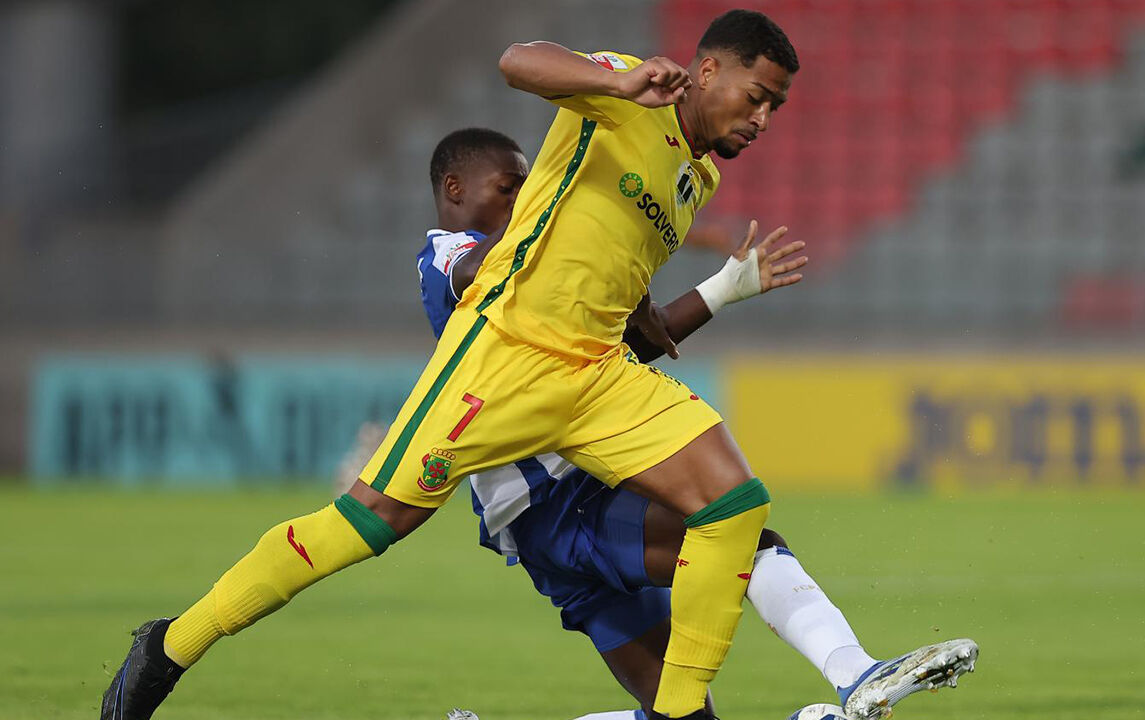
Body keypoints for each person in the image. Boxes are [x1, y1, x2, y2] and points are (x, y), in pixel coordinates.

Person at [101, 11, 968, 720]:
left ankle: (693, 710)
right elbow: (519, 61)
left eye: (776, 107)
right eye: (757, 96)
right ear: (708, 71)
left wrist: (681, 301)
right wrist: (617, 83)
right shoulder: (624, 88)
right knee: (366, 525)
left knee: (735, 504)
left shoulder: (695, 182)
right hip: (509, 355)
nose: (763, 118)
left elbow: (617, 281)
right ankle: (170, 647)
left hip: (597, 378)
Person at [407, 129, 975, 720]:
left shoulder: (532, 283)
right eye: (509, 187)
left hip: (558, 506)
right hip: (558, 498)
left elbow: (629, 346)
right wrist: (564, 212)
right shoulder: (448, 257)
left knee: (680, 717)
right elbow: (476, 269)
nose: (523, 198)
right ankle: (856, 674)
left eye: (528, 187)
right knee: (745, 541)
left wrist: (724, 288)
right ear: (454, 188)